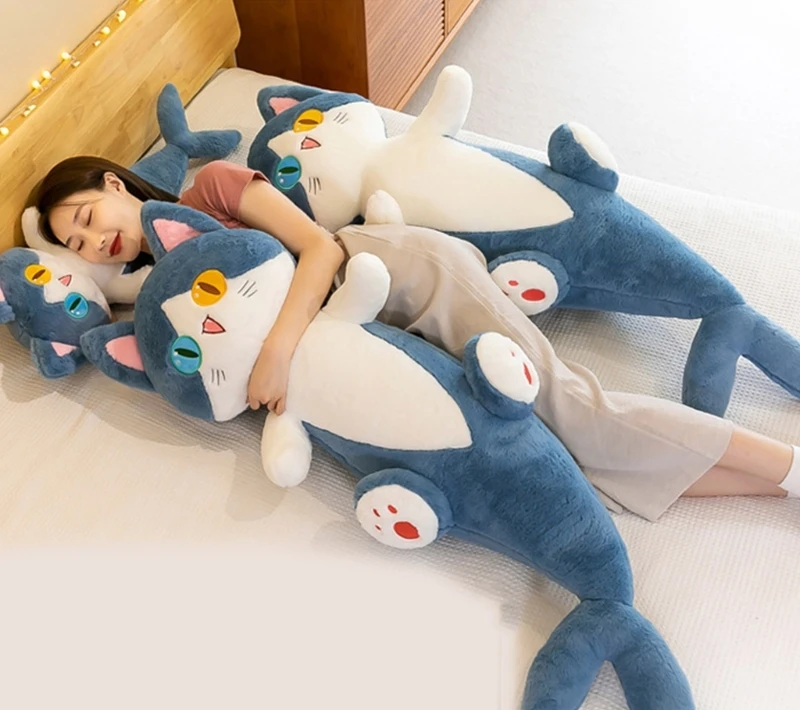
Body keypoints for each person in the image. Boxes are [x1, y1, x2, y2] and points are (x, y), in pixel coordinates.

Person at [34, 157, 800, 521]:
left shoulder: (206, 188)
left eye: (89, 217)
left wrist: (277, 351)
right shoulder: (158, 296)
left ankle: (791, 467)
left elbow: (320, 247)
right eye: (77, 243)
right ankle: (781, 487)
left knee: (576, 411)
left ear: (114, 185)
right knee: (565, 463)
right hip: (375, 331)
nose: (94, 241)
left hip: (400, 274)